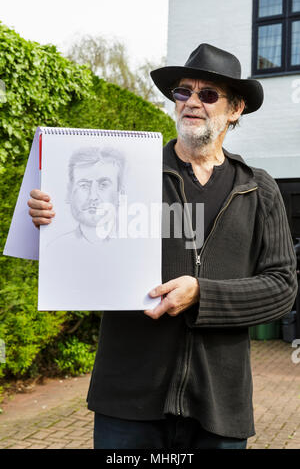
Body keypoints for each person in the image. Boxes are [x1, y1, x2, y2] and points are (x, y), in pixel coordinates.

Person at [27, 43, 298, 449]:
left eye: (208, 94)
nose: (192, 102)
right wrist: (49, 221)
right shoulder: (128, 174)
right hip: (129, 401)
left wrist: (203, 294)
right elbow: (81, 253)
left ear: (235, 109)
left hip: (219, 406)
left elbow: (281, 288)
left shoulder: (259, 189)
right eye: (183, 91)